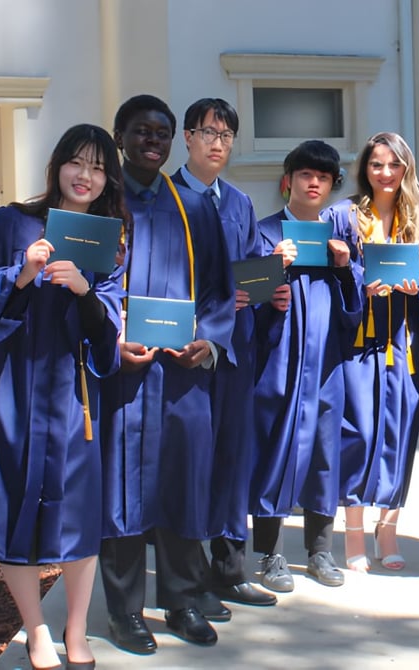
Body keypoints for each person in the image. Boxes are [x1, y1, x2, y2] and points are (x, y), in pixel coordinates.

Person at [0, 123, 127, 670]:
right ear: (56, 166)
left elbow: (110, 324)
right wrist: (23, 272)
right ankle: (35, 629)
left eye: (98, 167)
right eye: (77, 162)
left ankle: (75, 631)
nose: (86, 175)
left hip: (70, 396)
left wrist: (84, 291)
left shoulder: (104, 238)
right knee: (11, 506)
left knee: (78, 508)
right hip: (9, 386)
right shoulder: (9, 221)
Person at [98, 94, 235, 652]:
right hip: (123, 378)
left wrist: (208, 339)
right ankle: (124, 613)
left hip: (180, 378)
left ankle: (181, 600)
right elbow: (83, 285)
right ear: (120, 137)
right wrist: (112, 340)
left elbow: (219, 291)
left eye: (161, 132)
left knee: (182, 485)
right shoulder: (102, 204)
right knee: (122, 492)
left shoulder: (192, 207)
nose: (151, 141)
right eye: (140, 132)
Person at [170, 97, 279, 609]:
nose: (217, 143)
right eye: (208, 132)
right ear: (187, 138)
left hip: (235, 352)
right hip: (187, 353)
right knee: (193, 462)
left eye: (227, 135)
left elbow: (254, 267)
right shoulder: (163, 199)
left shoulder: (238, 202)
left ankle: (229, 569)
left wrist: (270, 287)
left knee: (234, 458)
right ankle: (189, 576)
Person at [249, 140, 360, 590]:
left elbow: (354, 312)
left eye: (323, 177)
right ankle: (271, 554)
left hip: (326, 365)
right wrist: (271, 271)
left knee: (323, 454)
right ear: (287, 182)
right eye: (305, 175)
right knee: (273, 450)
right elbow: (242, 300)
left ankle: (320, 552)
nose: (314, 183)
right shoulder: (263, 233)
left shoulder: (338, 240)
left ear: (332, 187)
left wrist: (346, 267)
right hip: (277, 363)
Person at [325, 132, 419, 572]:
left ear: (406, 170)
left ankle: (388, 530)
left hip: (402, 344)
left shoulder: (416, 224)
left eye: (393, 165)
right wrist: (355, 280)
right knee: (359, 432)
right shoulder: (343, 217)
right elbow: (326, 279)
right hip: (358, 344)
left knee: (399, 435)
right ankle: (351, 535)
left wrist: (418, 287)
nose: (384, 173)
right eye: (376, 164)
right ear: (364, 168)